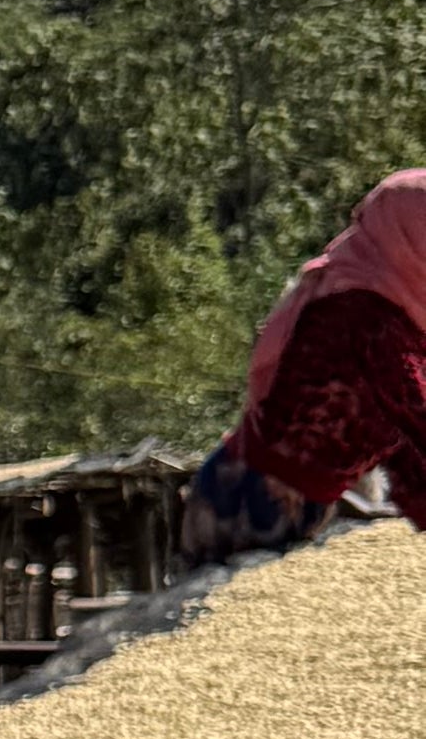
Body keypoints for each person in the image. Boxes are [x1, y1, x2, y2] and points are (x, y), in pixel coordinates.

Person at [178, 174, 426, 559]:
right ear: (409, 236)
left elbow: (406, 456)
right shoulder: (359, 314)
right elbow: (415, 418)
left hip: (293, 504)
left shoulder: (401, 321)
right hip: (245, 498)